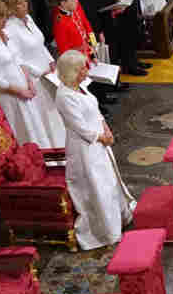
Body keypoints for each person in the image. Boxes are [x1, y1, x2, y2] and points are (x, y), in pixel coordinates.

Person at [54, 50, 136, 251]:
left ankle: (119, 219)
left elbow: (96, 111)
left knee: (109, 182)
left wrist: (106, 128)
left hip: (99, 144)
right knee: (98, 187)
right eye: (82, 67)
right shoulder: (64, 96)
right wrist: (101, 137)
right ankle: (105, 231)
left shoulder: (80, 87)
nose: (86, 69)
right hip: (85, 149)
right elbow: (79, 126)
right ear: (72, 72)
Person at [0, 0, 68, 149]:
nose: (5, 20)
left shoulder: (2, 32)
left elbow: (18, 59)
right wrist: (19, 91)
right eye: (0, 16)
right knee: (23, 131)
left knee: (37, 128)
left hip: (24, 88)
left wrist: (28, 82)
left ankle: (47, 158)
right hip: (8, 95)